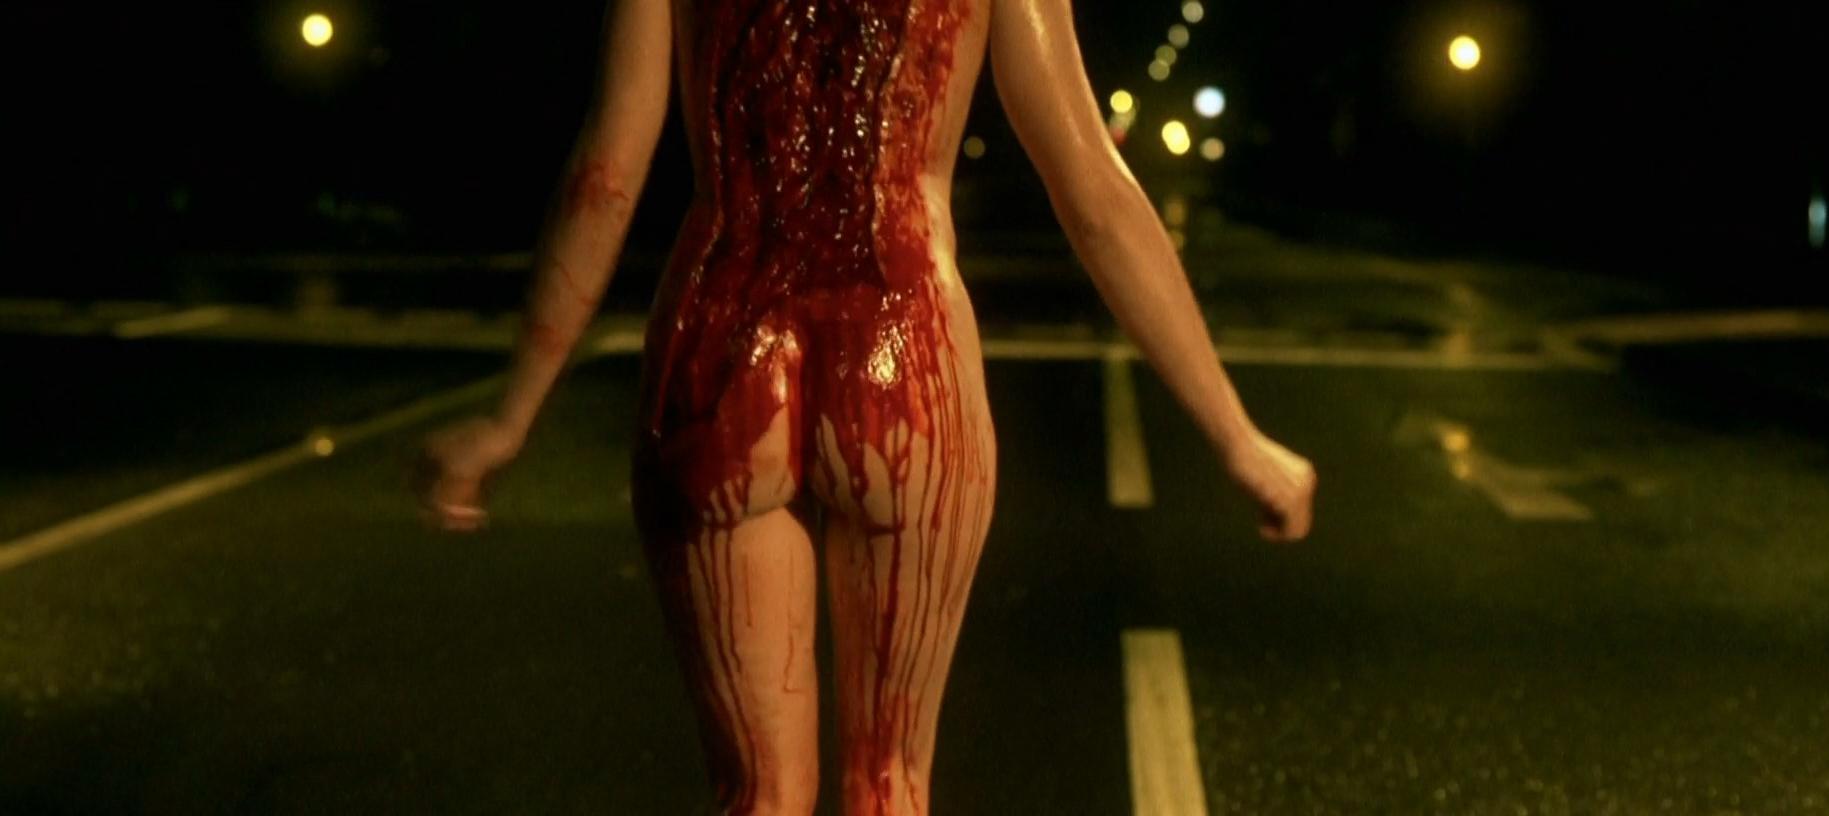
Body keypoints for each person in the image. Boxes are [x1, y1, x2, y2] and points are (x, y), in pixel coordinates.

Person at [415, 0, 1317, 812]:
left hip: (719, 352)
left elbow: (608, 173)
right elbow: (1094, 198)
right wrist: (1236, 437)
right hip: (906, 357)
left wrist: (510, 418)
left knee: (758, 794)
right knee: (888, 784)